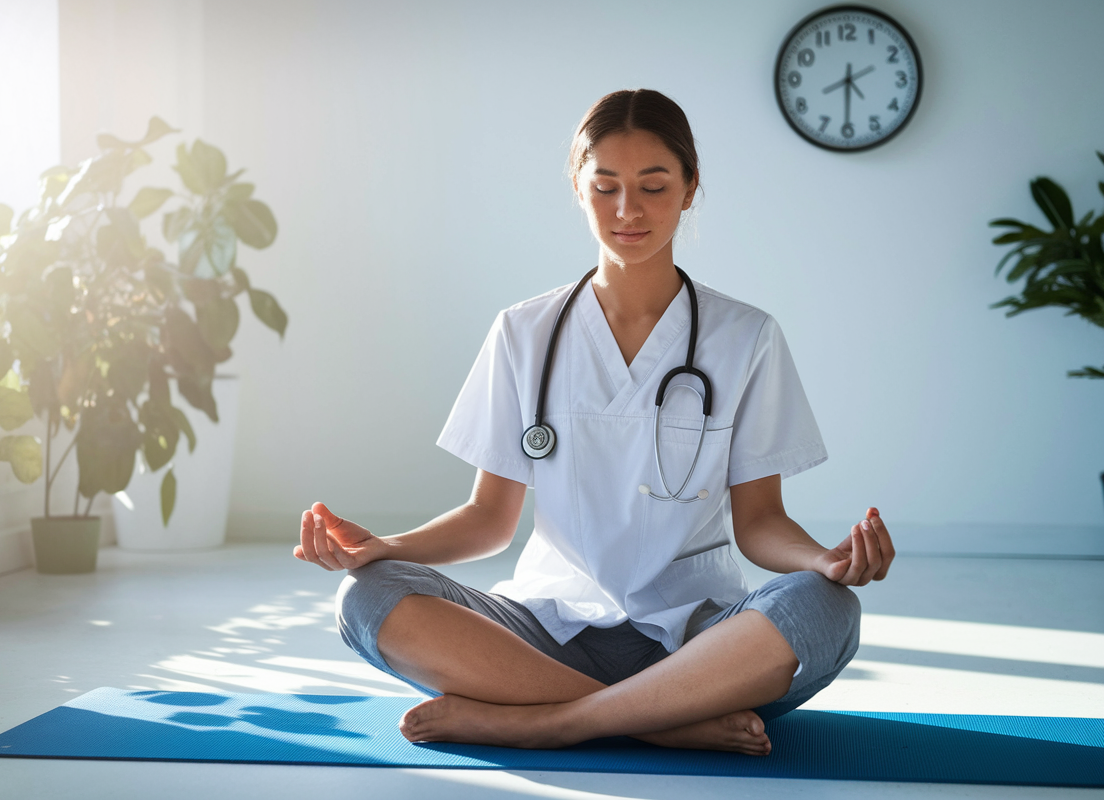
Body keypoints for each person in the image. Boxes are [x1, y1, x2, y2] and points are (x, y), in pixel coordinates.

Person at [293, 88, 893, 755]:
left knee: (826, 610)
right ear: (577, 189)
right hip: (544, 634)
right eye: (605, 187)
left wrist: (823, 560)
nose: (627, 210)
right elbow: (490, 520)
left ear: (691, 189)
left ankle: (552, 721)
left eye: (653, 186)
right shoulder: (523, 332)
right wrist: (384, 548)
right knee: (367, 598)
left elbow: (758, 523)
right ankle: (659, 720)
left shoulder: (745, 337)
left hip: (700, 640)